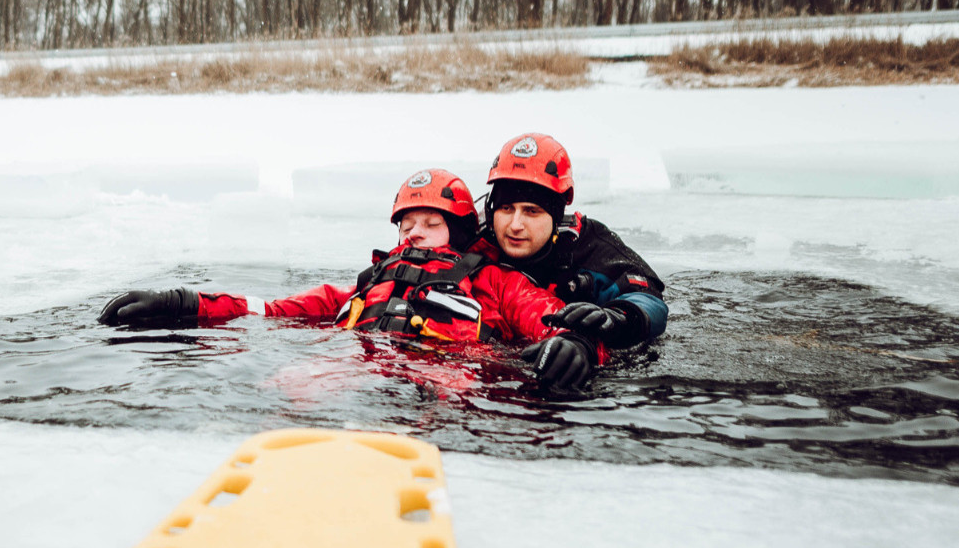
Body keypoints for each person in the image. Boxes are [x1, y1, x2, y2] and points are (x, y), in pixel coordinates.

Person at [96, 169, 601, 393]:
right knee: (285, 389)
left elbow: (555, 322)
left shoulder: (495, 281)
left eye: (431, 224)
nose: (415, 235)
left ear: (461, 232)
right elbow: (269, 311)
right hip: (357, 368)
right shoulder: (364, 287)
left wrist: (576, 346)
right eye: (407, 225)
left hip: (452, 377)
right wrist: (185, 303)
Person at [475, 132, 669, 352]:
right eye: (506, 208)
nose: (515, 225)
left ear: (556, 216)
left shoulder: (587, 245)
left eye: (532, 211)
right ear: (491, 211)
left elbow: (649, 299)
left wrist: (617, 319)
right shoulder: (476, 237)